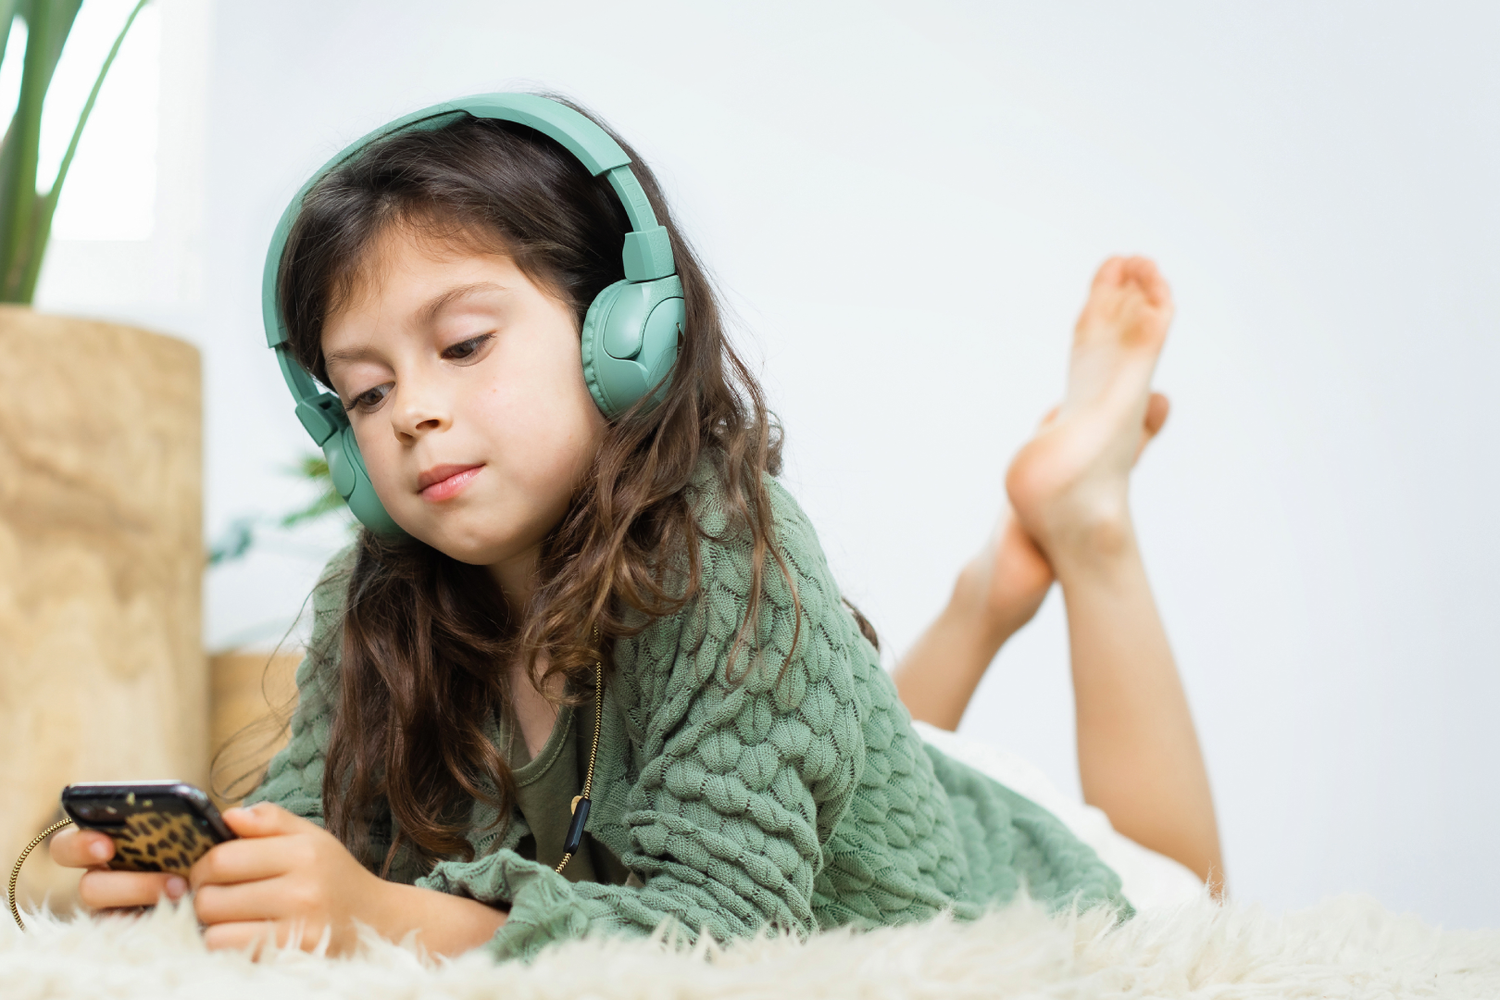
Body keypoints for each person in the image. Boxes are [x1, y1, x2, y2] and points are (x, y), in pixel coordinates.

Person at [49, 94, 1220, 959]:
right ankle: (987, 598)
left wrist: (388, 919)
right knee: (871, 748)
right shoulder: (386, 590)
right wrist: (217, 878)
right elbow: (316, 840)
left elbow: (720, 935)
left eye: (462, 345)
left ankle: (1087, 518)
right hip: (825, 759)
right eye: (362, 392)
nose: (411, 410)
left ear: (627, 337)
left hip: (981, 858)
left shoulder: (723, 546)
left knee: (1189, 892)